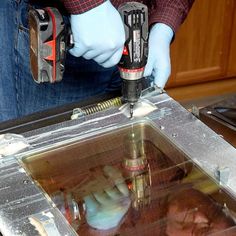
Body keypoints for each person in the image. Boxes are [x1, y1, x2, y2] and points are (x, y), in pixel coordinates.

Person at [0, 0, 195, 122]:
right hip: (64, 18)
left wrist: (165, 21)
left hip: (137, 21)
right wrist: (87, 5)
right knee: (49, 158)